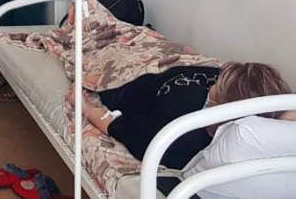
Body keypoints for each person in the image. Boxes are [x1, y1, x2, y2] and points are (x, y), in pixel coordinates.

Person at [67, 61, 292, 170]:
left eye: (218, 87)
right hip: (158, 79)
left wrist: (85, 107)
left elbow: (118, 126)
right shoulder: (264, 102)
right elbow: (288, 110)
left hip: (151, 89)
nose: (214, 86)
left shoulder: (180, 137)